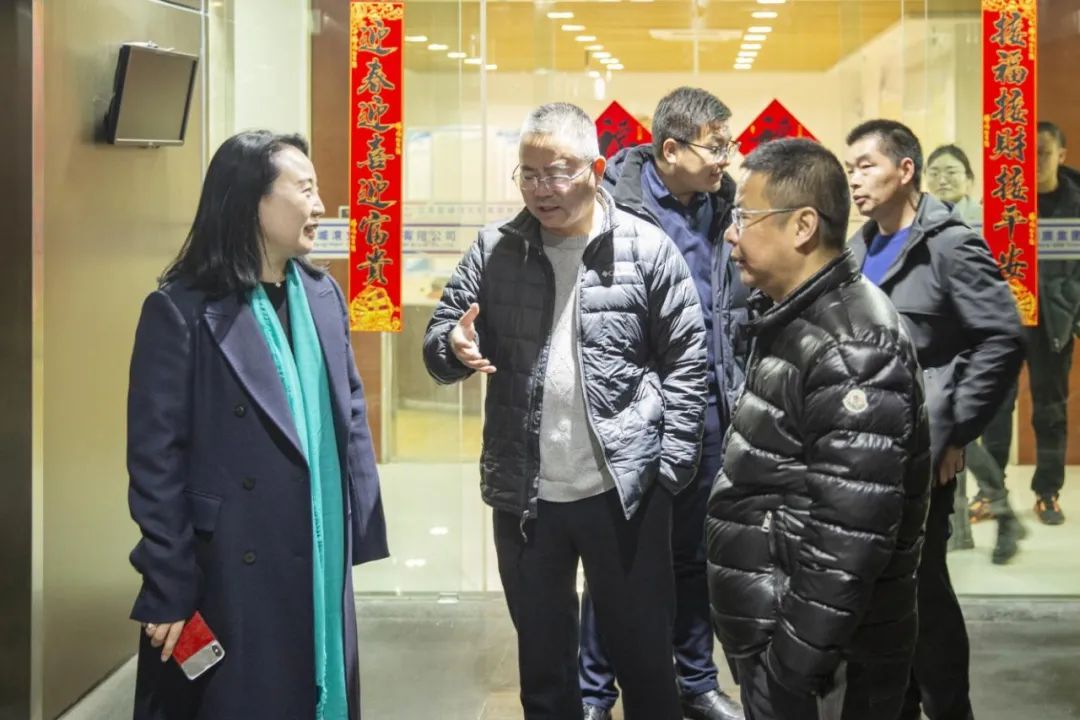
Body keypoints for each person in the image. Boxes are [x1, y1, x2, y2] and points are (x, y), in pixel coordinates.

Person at [423, 102, 707, 720]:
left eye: (556, 173)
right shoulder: (495, 249)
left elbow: (689, 362)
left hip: (625, 492)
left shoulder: (647, 249)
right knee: (544, 670)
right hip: (527, 496)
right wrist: (451, 345)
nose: (540, 189)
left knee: (645, 664)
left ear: (596, 170)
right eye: (528, 174)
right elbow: (440, 340)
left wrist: (669, 471)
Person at [127, 131, 389, 720]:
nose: (319, 206)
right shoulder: (182, 310)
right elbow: (155, 461)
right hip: (226, 564)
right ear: (253, 201)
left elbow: (348, 408)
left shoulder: (321, 296)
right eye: (305, 190)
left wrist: (358, 517)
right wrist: (168, 579)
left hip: (315, 548)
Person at [705, 137, 932, 720]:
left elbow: (851, 536)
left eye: (744, 217)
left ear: (803, 225)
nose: (731, 235)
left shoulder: (852, 346)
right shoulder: (798, 317)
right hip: (787, 643)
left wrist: (791, 667)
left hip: (823, 668)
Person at [846, 119, 1024, 720]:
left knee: (923, 588)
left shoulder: (949, 244)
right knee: (879, 594)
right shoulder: (858, 249)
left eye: (867, 165)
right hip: (865, 452)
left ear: (905, 170)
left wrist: (955, 431)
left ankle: (950, 708)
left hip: (922, 454)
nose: (855, 179)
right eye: (850, 168)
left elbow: (1000, 338)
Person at [579, 86, 746, 720]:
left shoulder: (725, 206)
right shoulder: (611, 206)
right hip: (635, 412)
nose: (725, 158)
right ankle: (594, 692)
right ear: (670, 149)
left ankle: (696, 682)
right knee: (619, 558)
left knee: (694, 556)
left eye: (728, 144)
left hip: (709, 409)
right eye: (715, 146)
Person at [924, 143, 1025, 562]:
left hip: (986, 344)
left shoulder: (993, 224)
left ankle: (1000, 514)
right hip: (947, 349)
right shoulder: (924, 224)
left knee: (976, 432)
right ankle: (988, 520)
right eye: (935, 172)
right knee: (952, 431)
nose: (942, 179)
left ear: (969, 179)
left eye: (951, 171)